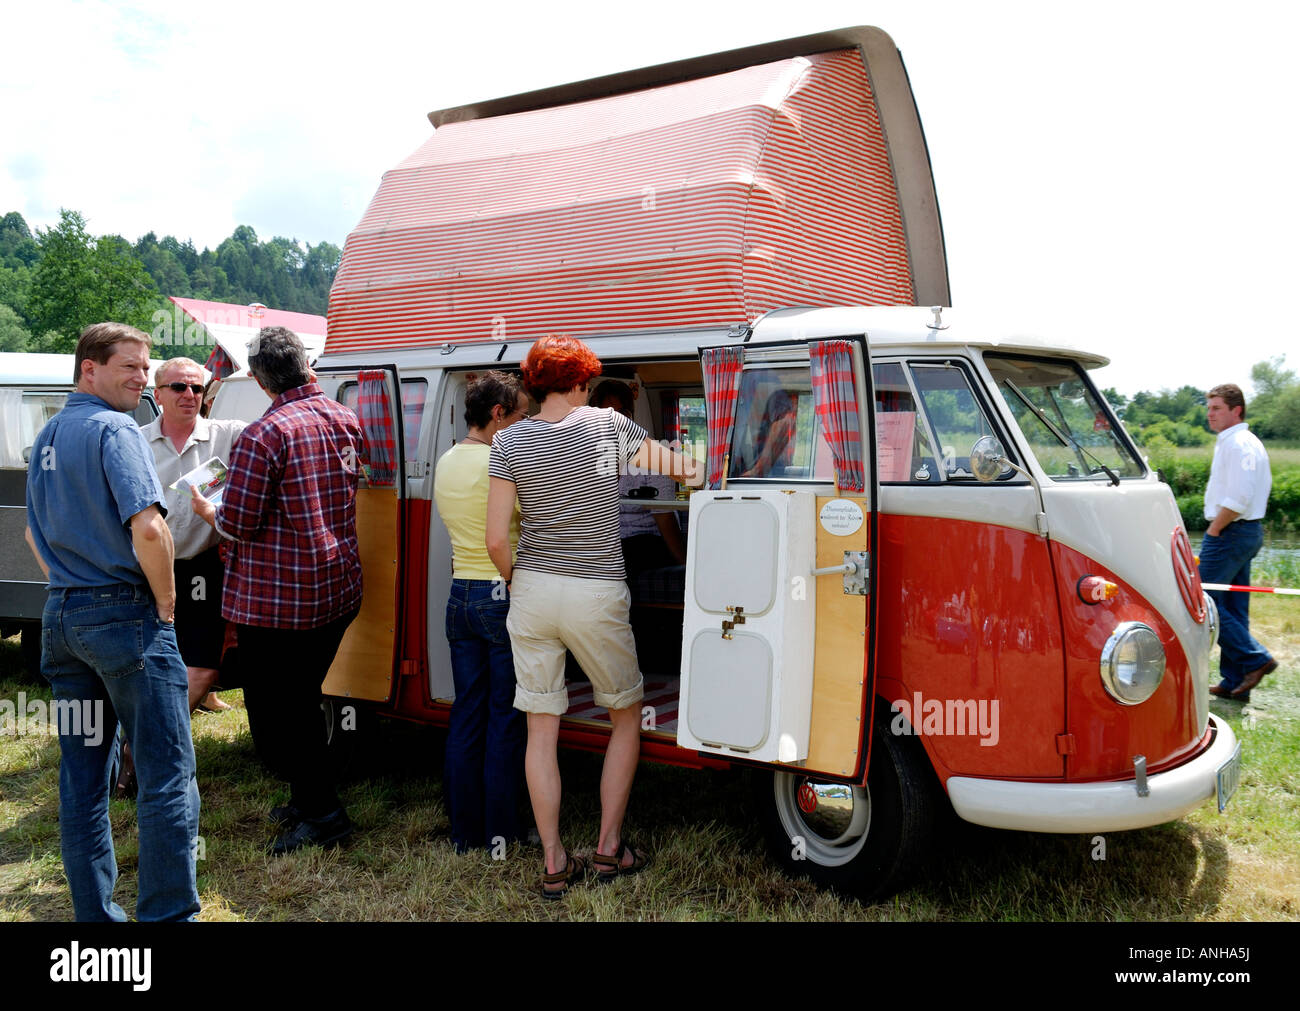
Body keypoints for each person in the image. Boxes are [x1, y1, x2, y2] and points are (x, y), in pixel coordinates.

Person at [485, 335, 703, 898]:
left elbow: (494, 539)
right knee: (625, 715)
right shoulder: (610, 427)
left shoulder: (507, 442)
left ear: (535, 384)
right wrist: (704, 462)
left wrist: (518, 578)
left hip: (532, 588)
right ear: (581, 381)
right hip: (596, 588)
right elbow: (687, 472)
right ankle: (609, 849)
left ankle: (555, 861)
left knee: (541, 726)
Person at [24, 322, 200, 921]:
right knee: (166, 774)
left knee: (81, 781)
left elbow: (30, 532)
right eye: (129, 366)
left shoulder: (47, 432)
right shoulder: (115, 428)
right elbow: (150, 528)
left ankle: (95, 920)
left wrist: (70, 581)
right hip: (124, 618)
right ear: (89, 369)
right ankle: (168, 918)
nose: (142, 378)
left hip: (62, 620)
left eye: (146, 368)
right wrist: (168, 604)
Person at [191, 326, 366, 855]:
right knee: (303, 701)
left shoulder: (263, 434)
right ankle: (309, 797)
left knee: (283, 714)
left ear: (262, 381)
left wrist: (208, 509)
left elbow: (239, 523)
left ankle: (324, 815)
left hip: (278, 601)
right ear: (307, 368)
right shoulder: (346, 417)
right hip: (336, 587)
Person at [433, 371, 529, 853]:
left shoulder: (447, 458)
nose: (525, 424)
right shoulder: (503, 460)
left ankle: (463, 831)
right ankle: (501, 829)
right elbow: (503, 536)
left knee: (466, 713)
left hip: (460, 596)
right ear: (498, 415)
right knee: (506, 716)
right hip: (499, 591)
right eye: (519, 415)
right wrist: (514, 580)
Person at [142, 357, 246, 712]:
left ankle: (194, 701)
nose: (189, 394)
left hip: (204, 563)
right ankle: (158, 722)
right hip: (151, 564)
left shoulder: (228, 434)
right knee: (157, 648)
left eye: (197, 388)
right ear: (158, 394)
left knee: (203, 654)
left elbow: (278, 434)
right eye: (179, 387)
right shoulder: (137, 443)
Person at [1200, 383, 1276, 700]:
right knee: (1232, 605)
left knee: (1203, 599)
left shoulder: (1240, 444)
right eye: (1209, 408)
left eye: (1217, 408)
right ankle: (1235, 681)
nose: (1210, 414)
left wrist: (1215, 529)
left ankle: (1256, 659)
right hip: (1242, 532)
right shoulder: (1238, 442)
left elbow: (1240, 497)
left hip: (1231, 531)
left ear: (1236, 411)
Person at [589, 380, 686, 577]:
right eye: (602, 417)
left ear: (629, 417)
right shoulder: (586, 458)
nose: (610, 423)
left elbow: (664, 516)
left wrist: (685, 565)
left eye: (617, 415)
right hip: (606, 547)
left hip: (646, 543)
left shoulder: (653, 457)